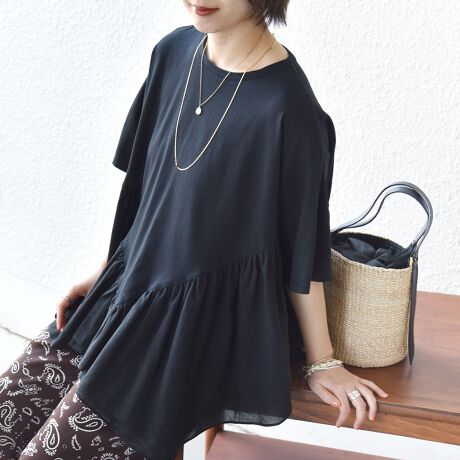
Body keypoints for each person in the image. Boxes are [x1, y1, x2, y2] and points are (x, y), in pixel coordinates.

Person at [1, 1, 389, 459]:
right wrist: (104, 269)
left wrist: (322, 361)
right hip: (127, 289)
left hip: (188, 326)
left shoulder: (289, 110)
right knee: (8, 418)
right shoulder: (172, 52)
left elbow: (300, 253)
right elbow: (147, 192)